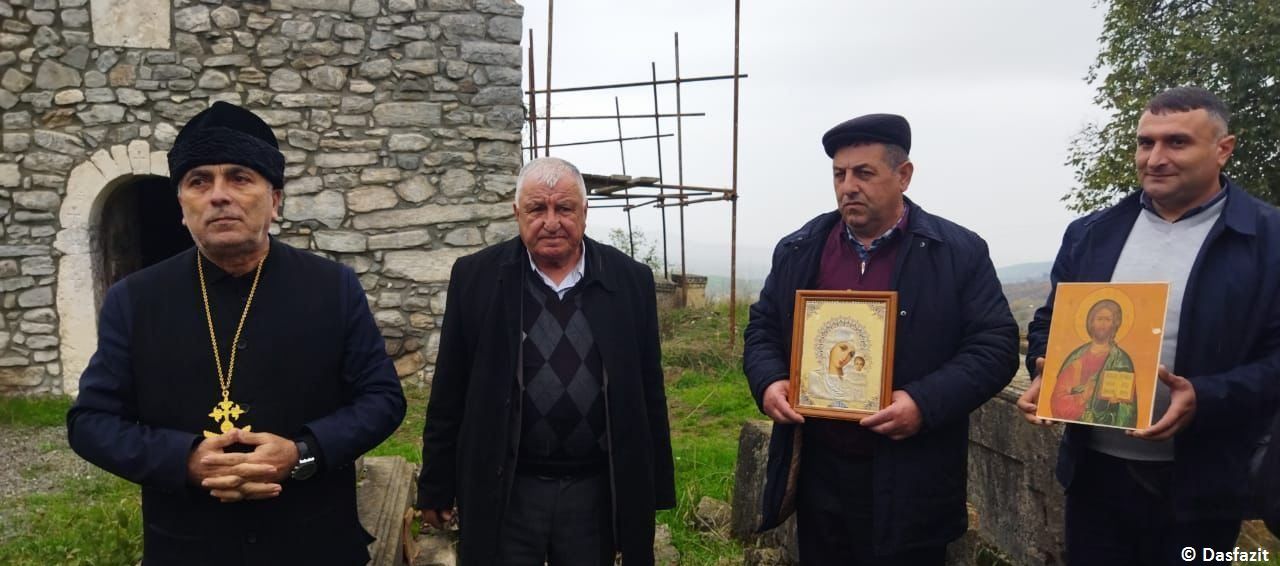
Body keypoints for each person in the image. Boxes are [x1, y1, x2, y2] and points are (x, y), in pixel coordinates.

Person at [66, 101, 407, 565]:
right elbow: (91, 423)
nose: (219, 195)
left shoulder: (332, 287)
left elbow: (383, 398)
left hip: (315, 543)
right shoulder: (136, 300)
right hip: (188, 547)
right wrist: (183, 459)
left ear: (276, 199)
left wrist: (303, 452)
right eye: (199, 181)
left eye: (240, 178)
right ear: (182, 206)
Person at [1017, 86, 1280, 565]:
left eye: (1176, 142)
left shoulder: (1269, 239)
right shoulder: (1092, 232)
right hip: (1095, 478)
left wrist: (1206, 395)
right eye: (1145, 142)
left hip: (1202, 488)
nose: (1155, 158)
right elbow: (1049, 322)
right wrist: (1043, 366)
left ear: (1223, 149)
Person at [743, 113, 1019, 564]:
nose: (848, 186)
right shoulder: (800, 247)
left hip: (913, 475)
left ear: (903, 175)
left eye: (864, 173)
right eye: (839, 174)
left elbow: (996, 345)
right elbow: (763, 330)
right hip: (821, 474)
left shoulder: (957, 251)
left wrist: (923, 404)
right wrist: (770, 380)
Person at [416, 157, 675, 565]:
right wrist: (435, 484)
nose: (551, 221)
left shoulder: (628, 281)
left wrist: (655, 486)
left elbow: (648, 389)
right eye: (538, 209)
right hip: (507, 487)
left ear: (585, 213)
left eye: (564, 208)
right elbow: (449, 389)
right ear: (517, 213)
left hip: (593, 491)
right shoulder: (477, 278)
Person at [1050, 299, 1137, 427]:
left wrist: (1114, 404)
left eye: (1108, 319)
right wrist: (1083, 396)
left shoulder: (1121, 360)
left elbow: (1127, 410)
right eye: (1099, 318)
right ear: (1091, 322)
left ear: (1114, 324)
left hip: (1111, 434)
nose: (1103, 323)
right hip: (1077, 431)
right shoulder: (1076, 358)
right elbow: (1057, 400)